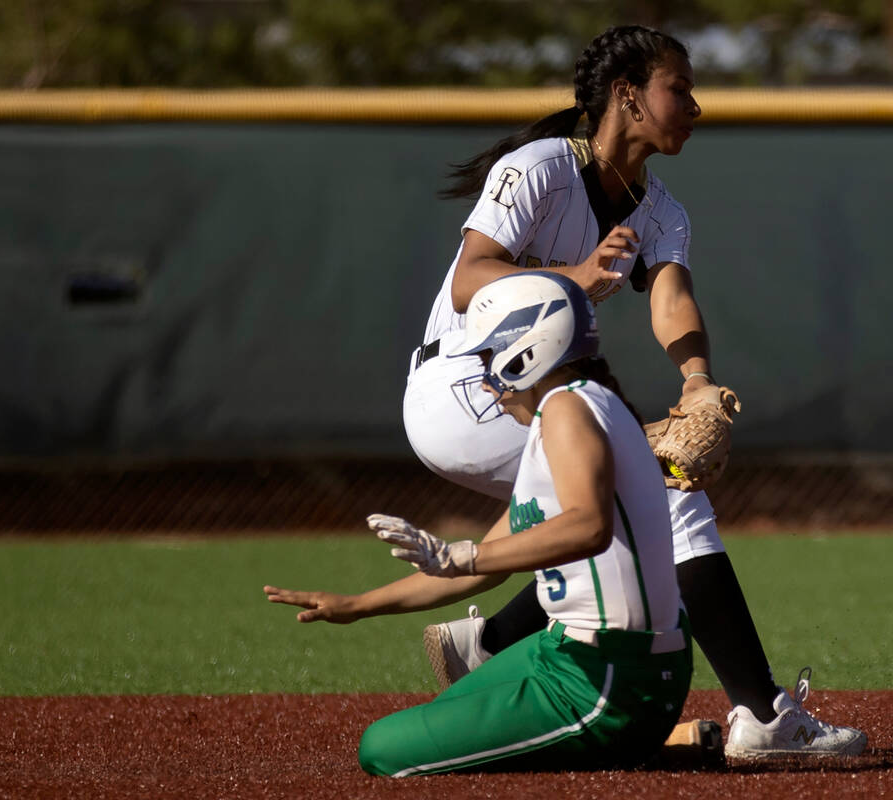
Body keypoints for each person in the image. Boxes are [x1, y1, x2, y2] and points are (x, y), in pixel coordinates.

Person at [402, 24, 865, 759]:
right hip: (461, 388)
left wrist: (698, 382)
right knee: (669, 500)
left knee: (646, 513)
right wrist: (574, 279)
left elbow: (671, 302)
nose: (695, 105)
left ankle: (487, 644)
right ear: (628, 94)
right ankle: (764, 717)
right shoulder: (540, 169)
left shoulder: (661, 211)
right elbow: (470, 279)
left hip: (536, 396)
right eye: (677, 88)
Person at [267, 271, 693, 776]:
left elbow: (588, 527)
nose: (488, 380)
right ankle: (667, 741)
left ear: (529, 351)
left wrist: (460, 555)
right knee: (439, 712)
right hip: (581, 655)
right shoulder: (575, 406)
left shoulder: (565, 407)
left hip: (610, 677)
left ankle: (631, 740)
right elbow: (479, 568)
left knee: (381, 750)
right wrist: (357, 606)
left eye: (491, 357)